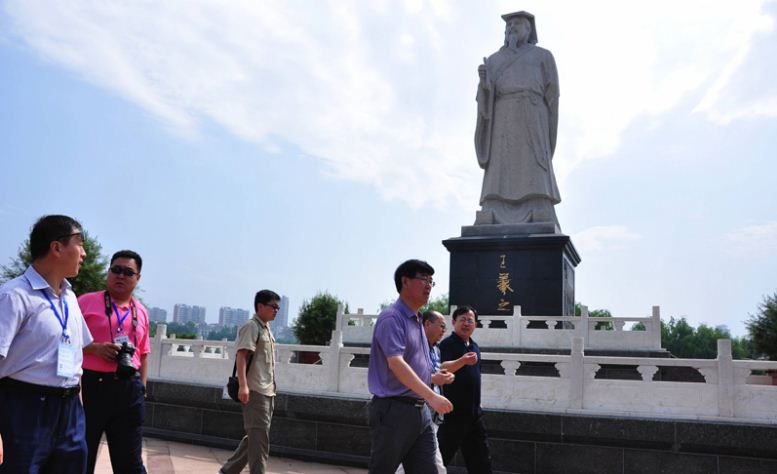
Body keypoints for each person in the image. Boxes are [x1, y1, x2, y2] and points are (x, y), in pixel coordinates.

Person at [0, 214, 93, 473]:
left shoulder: (70, 297)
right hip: (25, 407)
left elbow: (76, 359)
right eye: (80, 243)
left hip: (70, 410)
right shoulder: (14, 296)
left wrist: (78, 409)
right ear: (56, 247)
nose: (84, 253)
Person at [475, 11, 561, 228]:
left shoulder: (543, 56)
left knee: (533, 161)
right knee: (500, 163)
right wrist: (485, 85)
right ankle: (493, 204)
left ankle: (538, 200)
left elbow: (553, 95)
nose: (512, 27)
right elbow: (486, 100)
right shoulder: (494, 60)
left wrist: (545, 122)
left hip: (532, 113)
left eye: (518, 23)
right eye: (509, 24)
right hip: (503, 116)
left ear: (529, 29)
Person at [367, 259, 453, 474]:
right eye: (423, 279)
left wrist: (433, 379)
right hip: (394, 410)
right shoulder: (392, 318)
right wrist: (432, 396)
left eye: (431, 282)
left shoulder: (417, 321)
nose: (428, 286)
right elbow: (396, 364)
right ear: (405, 281)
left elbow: (415, 368)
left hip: (420, 411)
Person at [78, 250, 150, 474]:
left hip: (129, 389)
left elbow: (143, 353)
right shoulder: (86, 302)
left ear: (137, 278)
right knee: (81, 455)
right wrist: (94, 348)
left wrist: (143, 388)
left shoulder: (141, 312)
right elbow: (63, 341)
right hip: (91, 387)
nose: (121, 276)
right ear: (108, 272)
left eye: (128, 272)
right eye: (116, 270)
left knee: (130, 462)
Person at [221, 289, 281, 474]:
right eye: (273, 306)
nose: (276, 310)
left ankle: (228, 471)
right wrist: (243, 386)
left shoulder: (266, 328)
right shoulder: (252, 326)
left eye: (278, 307)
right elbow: (241, 356)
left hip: (267, 391)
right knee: (259, 444)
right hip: (255, 391)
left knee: (256, 437)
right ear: (260, 306)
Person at [396, 310, 456, 474]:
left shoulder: (435, 350)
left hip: (430, 413)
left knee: (410, 463)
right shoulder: (412, 346)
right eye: (441, 326)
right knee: (433, 464)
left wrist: (441, 377)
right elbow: (405, 376)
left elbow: (432, 374)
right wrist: (432, 379)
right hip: (413, 410)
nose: (444, 330)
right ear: (427, 324)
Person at [437, 306, 493, 473]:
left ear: (475, 324)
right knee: (439, 459)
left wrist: (479, 401)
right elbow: (442, 367)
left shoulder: (474, 346)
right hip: (453, 414)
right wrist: (462, 360)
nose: (466, 323)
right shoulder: (447, 344)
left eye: (470, 320)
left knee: (481, 461)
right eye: (462, 319)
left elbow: (476, 376)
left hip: (474, 415)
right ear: (454, 322)